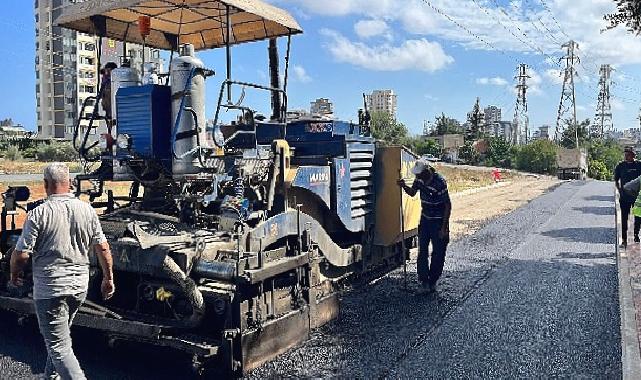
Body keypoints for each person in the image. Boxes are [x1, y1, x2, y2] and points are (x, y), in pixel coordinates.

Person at [9, 163, 115, 380]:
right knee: (61, 337)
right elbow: (103, 248)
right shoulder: (88, 210)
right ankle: (50, 377)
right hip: (78, 288)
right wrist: (108, 277)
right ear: (70, 183)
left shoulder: (39, 214)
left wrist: (14, 274)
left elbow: (21, 254)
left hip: (51, 288)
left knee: (58, 345)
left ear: (46, 184)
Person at [398, 160, 452, 294]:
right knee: (422, 252)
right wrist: (404, 186)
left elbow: (447, 205)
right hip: (425, 220)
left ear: (426, 171)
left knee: (438, 253)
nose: (417, 177)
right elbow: (412, 192)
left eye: (419, 174)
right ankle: (424, 282)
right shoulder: (419, 180)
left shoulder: (440, 182)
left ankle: (433, 280)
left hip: (439, 222)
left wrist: (444, 228)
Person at [615, 147, 641, 247]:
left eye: (629, 154)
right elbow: (616, 180)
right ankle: (624, 240)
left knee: (638, 218)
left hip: (637, 198)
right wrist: (620, 191)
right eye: (625, 154)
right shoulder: (620, 166)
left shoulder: (639, 165)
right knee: (624, 218)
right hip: (625, 197)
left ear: (633, 155)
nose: (626, 156)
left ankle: (636, 234)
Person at [100, 62, 118, 130]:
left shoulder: (114, 80)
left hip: (112, 105)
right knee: (109, 121)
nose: (107, 72)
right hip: (108, 105)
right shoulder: (105, 79)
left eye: (109, 70)